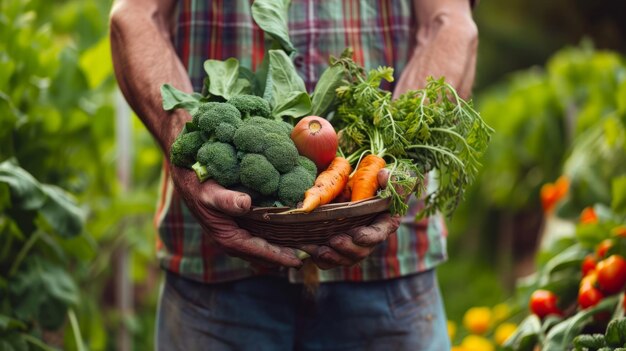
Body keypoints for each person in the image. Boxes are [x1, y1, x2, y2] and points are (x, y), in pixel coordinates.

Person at [110, 0, 477, 349]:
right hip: (213, 271)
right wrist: (190, 150)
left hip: (391, 272)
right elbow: (134, 16)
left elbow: (450, 23)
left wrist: (398, 159)